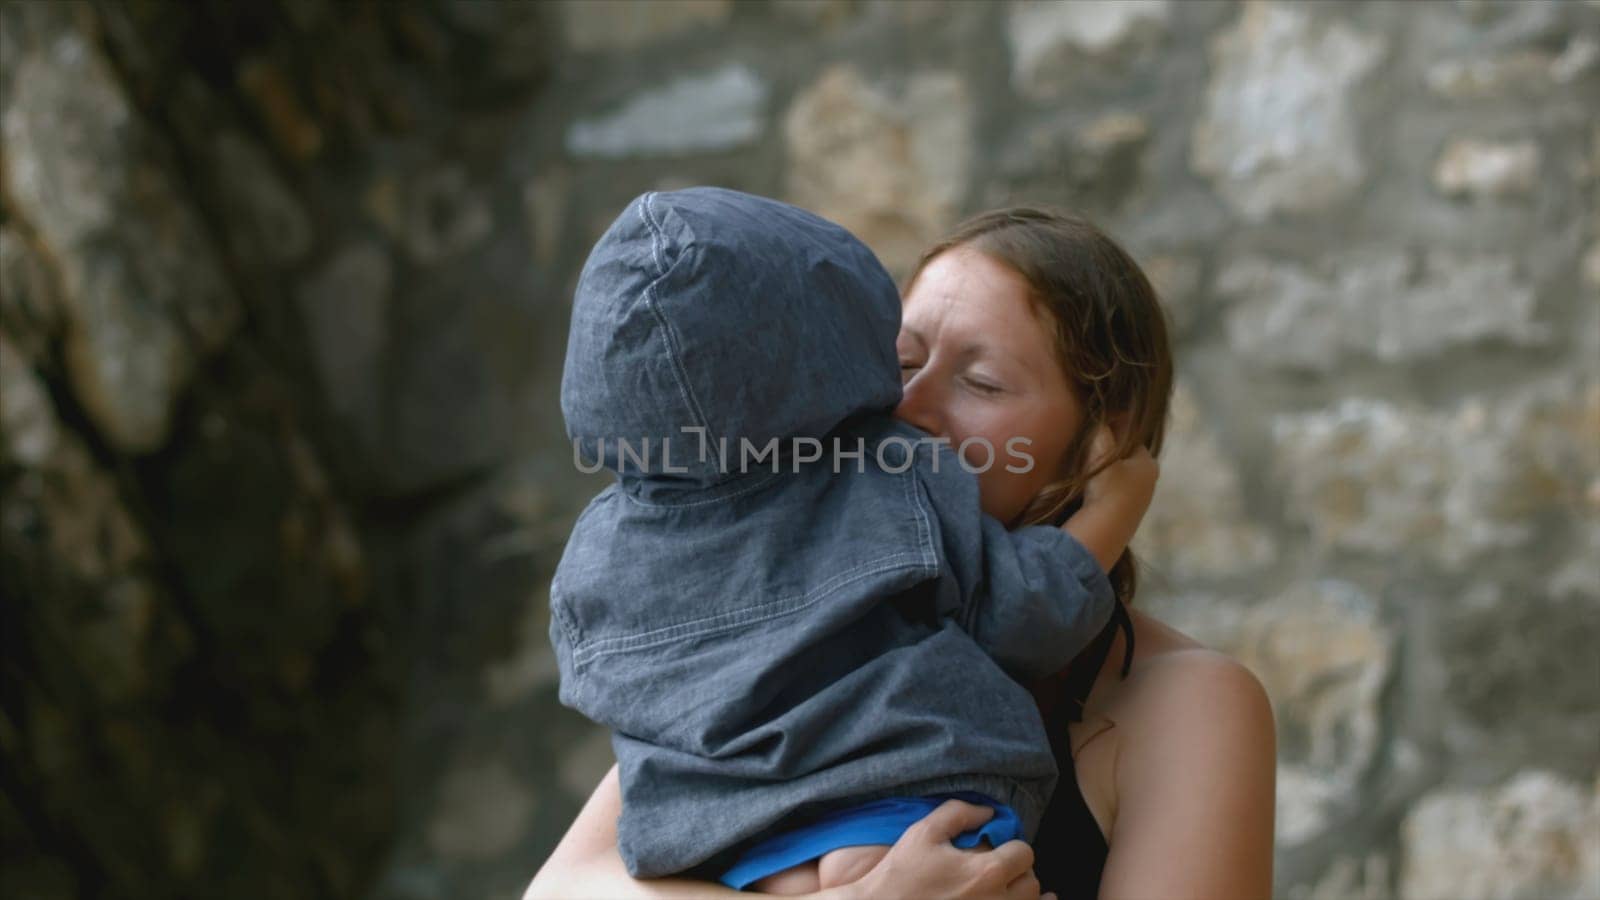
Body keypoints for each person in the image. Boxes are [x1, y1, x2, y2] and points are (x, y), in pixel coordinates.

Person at [528, 205, 1277, 900]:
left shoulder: (1188, 700)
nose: (911, 407)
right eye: (900, 361)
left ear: (1099, 446)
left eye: (981, 382)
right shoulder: (788, 632)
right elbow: (562, 890)